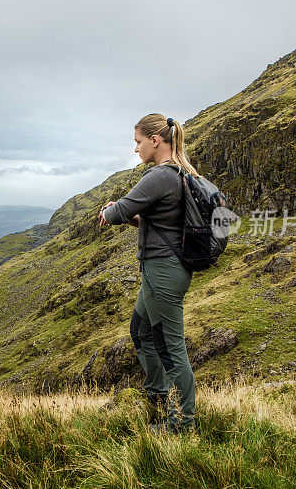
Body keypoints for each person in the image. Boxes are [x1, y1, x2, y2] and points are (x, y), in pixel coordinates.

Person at [98, 113, 200, 433]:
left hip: (163, 271)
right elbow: (158, 224)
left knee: (171, 347)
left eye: (138, 143)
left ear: (155, 141)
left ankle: (181, 423)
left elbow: (122, 210)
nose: (137, 150)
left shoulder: (160, 175)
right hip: (164, 267)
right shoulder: (180, 174)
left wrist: (109, 210)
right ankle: (157, 395)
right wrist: (130, 217)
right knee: (140, 330)